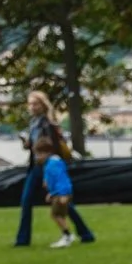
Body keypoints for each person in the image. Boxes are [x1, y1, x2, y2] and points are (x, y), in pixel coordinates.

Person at [15, 90, 94, 248]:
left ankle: (84, 233)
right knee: (28, 200)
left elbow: (52, 147)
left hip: (47, 166)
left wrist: (50, 171)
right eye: (30, 104)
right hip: (36, 165)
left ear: (42, 105)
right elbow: (36, 146)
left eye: (35, 103)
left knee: (58, 201)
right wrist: (28, 144)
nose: (32, 107)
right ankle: (23, 239)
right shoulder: (34, 123)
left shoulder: (48, 124)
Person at [37, 137, 79, 249]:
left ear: (47, 153)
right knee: (59, 215)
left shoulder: (53, 165)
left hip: (61, 194)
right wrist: (51, 192)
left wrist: (62, 194)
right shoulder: (49, 164)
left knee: (55, 214)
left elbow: (61, 179)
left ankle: (67, 235)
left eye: (41, 154)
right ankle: (67, 234)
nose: (38, 157)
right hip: (58, 193)